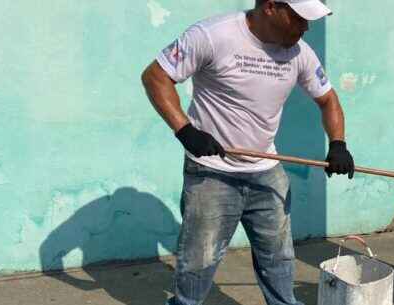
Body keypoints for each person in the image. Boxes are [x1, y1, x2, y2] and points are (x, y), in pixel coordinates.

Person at [140, 0, 354, 304]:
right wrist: (185, 130)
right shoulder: (213, 35)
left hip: (266, 172)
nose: (306, 27)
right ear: (270, 7)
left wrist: (338, 144)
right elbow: (155, 77)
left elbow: (328, 99)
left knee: (278, 257)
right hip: (211, 174)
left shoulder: (299, 53)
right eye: (299, 18)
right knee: (198, 262)